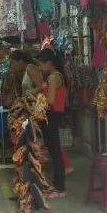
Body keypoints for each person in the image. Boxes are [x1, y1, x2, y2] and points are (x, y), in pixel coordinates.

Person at [37, 49, 68, 198]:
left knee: (55, 152)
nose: (40, 68)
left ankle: (60, 188)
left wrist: (37, 105)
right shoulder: (56, 76)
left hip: (52, 115)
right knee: (54, 150)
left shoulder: (53, 77)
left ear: (48, 63)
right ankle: (58, 185)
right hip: (54, 114)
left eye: (41, 65)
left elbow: (50, 101)